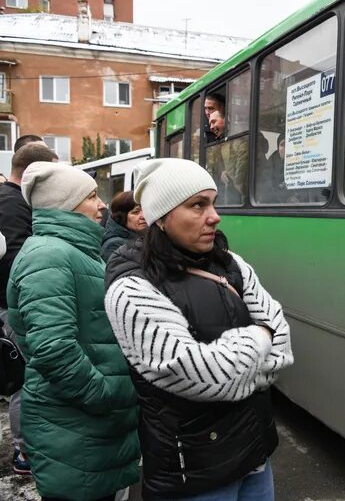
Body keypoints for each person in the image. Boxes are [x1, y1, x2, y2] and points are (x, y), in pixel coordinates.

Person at [104, 158, 293, 500]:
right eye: (198, 205)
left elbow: (282, 341)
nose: (215, 216)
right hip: (193, 472)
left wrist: (240, 367)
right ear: (161, 216)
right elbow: (199, 373)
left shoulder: (229, 262)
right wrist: (259, 337)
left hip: (255, 455)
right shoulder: (131, 287)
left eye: (213, 203)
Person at [7, 162, 140, 500]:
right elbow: (53, 350)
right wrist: (106, 396)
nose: (102, 205)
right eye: (91, 196)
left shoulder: (74, 250)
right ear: (65, 203)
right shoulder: (49, 256)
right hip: (77, 421)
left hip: (86, 423)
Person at [0, 141, 58, 476]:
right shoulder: (11, 204)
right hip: (14, 309)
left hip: (18, 307)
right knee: (26, 381)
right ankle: (24, 452)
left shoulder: (15, 201)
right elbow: (16, 264)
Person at [206, 110, 249, 205]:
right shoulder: (223, 145)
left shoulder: (239, 142)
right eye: (210, 124)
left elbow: (240, 182)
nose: (211, 127)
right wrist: (224, 171)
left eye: (214, 122)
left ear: (226, 120)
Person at [101, 191, 147, 262]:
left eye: (145, 210)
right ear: (122, 217)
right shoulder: (113, 245)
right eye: (136, 212)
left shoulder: (147, 238)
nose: (143, 216)